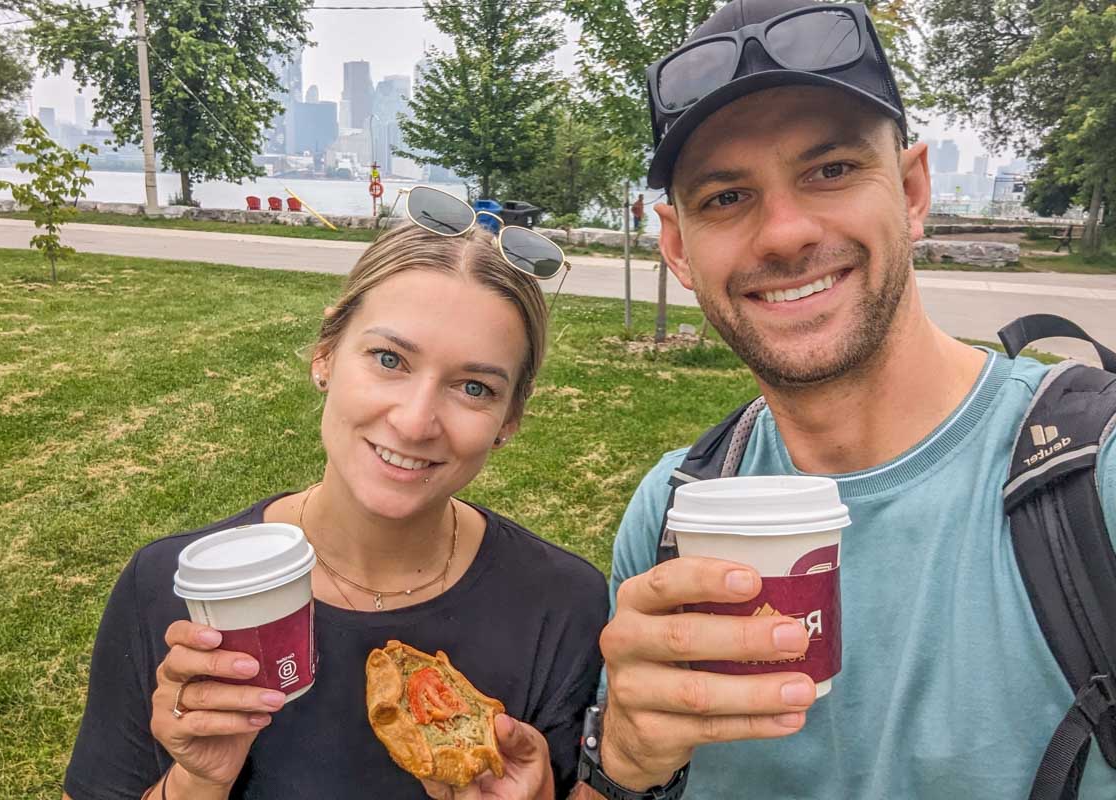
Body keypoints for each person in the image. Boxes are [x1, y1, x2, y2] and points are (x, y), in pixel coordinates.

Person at [577, 1, 1116, 798]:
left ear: (912, 191)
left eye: (830, 170)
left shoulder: (1095, 478)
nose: (785, 233)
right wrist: (618, 764)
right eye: (726, 196)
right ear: (678, 248)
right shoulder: (672, 514)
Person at [62, 218, 609, 800]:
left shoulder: (563, 604)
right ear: (325, 354)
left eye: (474, 387)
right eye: (389, 359)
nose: (415, 422)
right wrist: (197, 780)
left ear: (510, 419)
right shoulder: (175, 588)